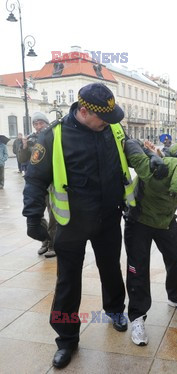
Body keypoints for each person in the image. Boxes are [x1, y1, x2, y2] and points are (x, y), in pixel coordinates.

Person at [22, 83, 148, 369]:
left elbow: (129, 149)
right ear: (83, 111)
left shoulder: (112, 129)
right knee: (68, 281)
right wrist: (33, 217)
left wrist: (150, 158)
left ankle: (115, 310)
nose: (109, 123)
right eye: (103, 117)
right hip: (72, 223)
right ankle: (66, 339)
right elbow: (35, 179)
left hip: (108, 218)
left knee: (110, 268)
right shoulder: (53, 135)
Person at [123, 139, 177, 346]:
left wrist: (173, 151)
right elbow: (130, 144)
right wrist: (151, 155)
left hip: (166, 221)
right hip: (139, 221)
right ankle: (137, 317)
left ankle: (176, 297)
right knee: (138, 268)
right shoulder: (155, 171)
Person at [23, 113, 57, 258]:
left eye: (41, 123)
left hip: (51, 181)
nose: (38, 126)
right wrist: (24, 147)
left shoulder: (53, 136)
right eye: (36, 124)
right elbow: (22, 160)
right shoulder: (31, 139)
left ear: (46, 123)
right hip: (36, 182)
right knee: (38, 212)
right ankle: (45, 239)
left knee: (53, 213)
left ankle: (53, 244)